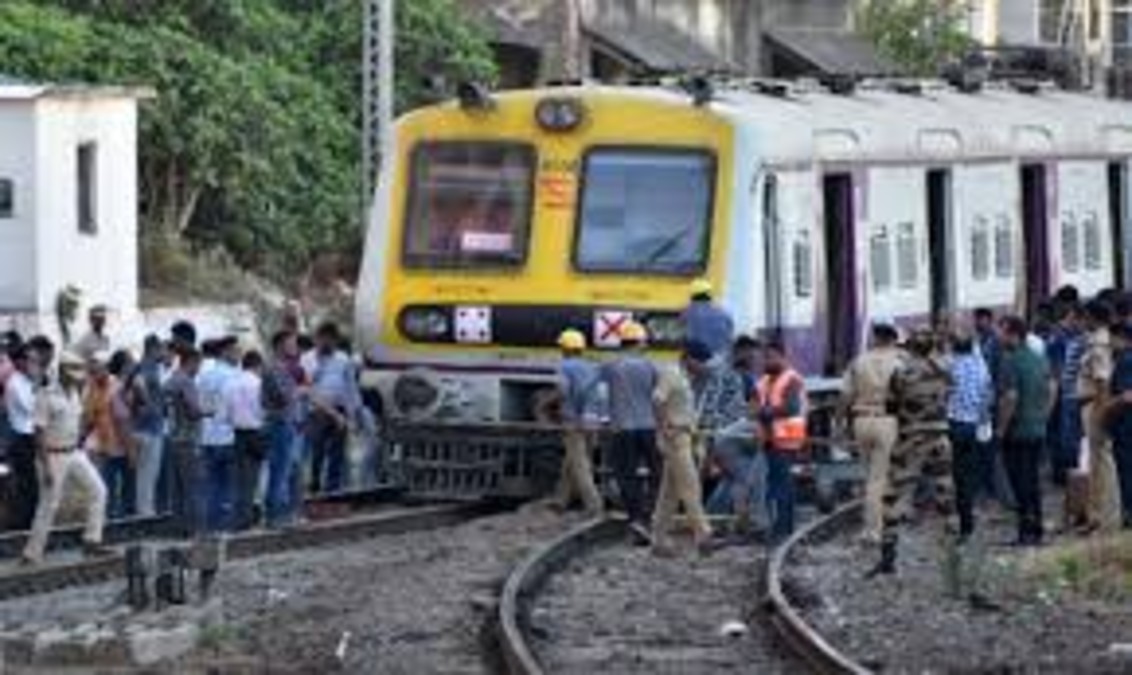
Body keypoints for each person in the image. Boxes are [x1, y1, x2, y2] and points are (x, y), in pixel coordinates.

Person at [871, 328, 953, 576]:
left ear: (911, 348)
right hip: (940, 439)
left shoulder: (902, 373)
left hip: (911, 441)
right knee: (946, 498)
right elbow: (948, 397)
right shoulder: (944, 371)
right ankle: (953, 557)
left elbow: (891, 406)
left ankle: (888, 559)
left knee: (892, 497)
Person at [21, 353, 111, 565]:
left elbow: (78, 421)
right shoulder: (46, 395)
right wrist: (45, 465)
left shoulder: (74, 393)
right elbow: (38, 433)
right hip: (52, 455)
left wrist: (82, 439)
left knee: (98, 490)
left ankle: (92, 540)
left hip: (73, 452)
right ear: (62, 370)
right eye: (73, 372)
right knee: (49, 504)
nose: (77, 377)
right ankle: (31, 553)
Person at [687, 339, 764, 537]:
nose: (756, 360)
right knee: (745, 478)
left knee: (729, 480)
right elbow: (750, 405)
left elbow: (709, 406)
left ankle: (712, 518)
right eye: (753, 355)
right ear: (741, 352)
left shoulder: (719, 372)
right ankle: (749, 522)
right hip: (726, 435)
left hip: (714, 434)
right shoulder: (734, 375)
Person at [840, 320, 904, 545]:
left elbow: (845, 395)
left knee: (870, 477)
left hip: (861, 421)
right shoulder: (899, 362)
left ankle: (872, 524)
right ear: (893, 338)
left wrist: (840, 420)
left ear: (875, 337)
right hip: (887, 421)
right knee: (879, 479)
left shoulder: (858, 361)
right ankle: (873, 530)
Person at [651, 344, 714, 556]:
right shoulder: (671, 373)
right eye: (700, 361)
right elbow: (657, 399)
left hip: (684, 436)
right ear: (688, 358)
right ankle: (703, 534)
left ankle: (658, 540)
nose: (704, 366)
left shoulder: (686, 378)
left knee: (670, 493)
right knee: (690, 486)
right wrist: (664, 427)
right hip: (676, 437)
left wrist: (695, 438)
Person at [997, 316, 1055, 546]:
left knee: (1019, 482)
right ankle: (1037, 529)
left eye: (1001, 331)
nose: (998, 336)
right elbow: (1052, 387)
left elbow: (1010, 397)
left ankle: (1025, 532)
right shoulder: (1039, 358)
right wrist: (1044, 416)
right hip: (1037, 428)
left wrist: (1001, 428)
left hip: (1017, 431)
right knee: (1033, 480)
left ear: (1013, 334)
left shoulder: (1010, 361)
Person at [598, 321, 659, 533]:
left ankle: (635, 518)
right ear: (640, 343)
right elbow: (658, 397)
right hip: (649, 427)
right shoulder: (651, 367)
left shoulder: (611, 366)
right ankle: (650, 515)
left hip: (622, 428)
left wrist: (603, 418)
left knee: (626, 475)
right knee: (656, 472)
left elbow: (600, 395)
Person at [542, 330, 602, 516]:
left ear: (564, 348)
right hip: (593, 420)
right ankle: (561, 500)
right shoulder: (592, 366)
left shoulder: (564, 366)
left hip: (573, 420)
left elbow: (562, 391)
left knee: (579, 464)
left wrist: (544, 403)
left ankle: (594, 506)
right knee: (573, 461)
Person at [756, 341, 807, 544]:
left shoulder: (791, 379)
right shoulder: (765, 380)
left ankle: (783, 529)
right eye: (765, 357)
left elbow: (792, 407)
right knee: (773, 485)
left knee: (782, 486)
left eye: (770, 357)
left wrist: (764, 412)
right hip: (769, 439)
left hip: (786, 440)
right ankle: (777, 527)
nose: (766, 361)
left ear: (782, 357)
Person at [1078, 300, 1121, 534]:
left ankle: (1107, 517)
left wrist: (1102, 412)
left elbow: (1102, 381)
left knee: (1102, 463)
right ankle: (1097, 515)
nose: (1083, 321)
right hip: (1092, 404)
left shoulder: (1099, 345)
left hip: (1095, 405)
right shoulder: (1098, 341)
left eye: (1086, 317)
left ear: (1093, 318)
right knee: (1096, 463)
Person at [947, 330, 993, 540]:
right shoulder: (981, 365)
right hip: (976, 424)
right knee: (970, 472)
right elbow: (988, 394)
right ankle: (969, 518)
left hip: (955, 424)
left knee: (956, 474)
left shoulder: (950, 366)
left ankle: (960, 522)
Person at [305, 323, 361, 494]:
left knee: (337, 451)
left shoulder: (343, 359)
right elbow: (306, 385)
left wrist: (353, 413)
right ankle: (314, 484)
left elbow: (350, 386)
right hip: (317, 410)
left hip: (340, 409)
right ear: (317, 339)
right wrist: (320, 363)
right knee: (317, 449)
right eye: (323, 339)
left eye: (331, 339)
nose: (327, 343)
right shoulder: (308, 358)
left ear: (335, 341)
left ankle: (332, 488)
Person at [197, 336, 240, 532]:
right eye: (234, 350)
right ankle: (225, 527)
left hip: (207, 436)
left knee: (211, 485)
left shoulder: (206, 375)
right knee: (229, 486)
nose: (238, 353)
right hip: (229, 435)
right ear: (225, 352)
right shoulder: (233, 375)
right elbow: (237, 408)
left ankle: (210, 527)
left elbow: (201, 406)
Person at [83, 351, 132, 520]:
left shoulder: (116, 387)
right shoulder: (90, 388)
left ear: (105, 368)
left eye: (97, 370)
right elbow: (88, 418)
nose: (94, 374)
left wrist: (130, 448)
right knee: (104, 485)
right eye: (92, 371)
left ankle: (119, 518)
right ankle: (106, 518)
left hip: (120, 443)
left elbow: (124, 420)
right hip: (101, 444)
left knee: (120, 485)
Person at [262, 331, 304, 528]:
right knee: (280, 471)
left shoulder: (283, 368)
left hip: (285, 424)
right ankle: (275, 517)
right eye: (291, 343)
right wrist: (300, 391)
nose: (295, 346)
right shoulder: (275, 368)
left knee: (284, 470)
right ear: (280, 346)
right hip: (280, 425)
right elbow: (284, 396)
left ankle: (282, 515)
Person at [164, 346, 205, 537]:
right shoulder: (187, 382)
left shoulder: (170, 381)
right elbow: (193, 411)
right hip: (188, 440)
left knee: (177, 489)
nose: (199, 369)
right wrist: (208, 411)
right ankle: (193, 529)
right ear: (191, 362)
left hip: (172, 439)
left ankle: (177, 527)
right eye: (199, 364)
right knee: (193, 487)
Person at [128, 336, 167, 517]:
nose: (163, 353)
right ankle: (145, 513)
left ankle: (144, 510)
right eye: (161, 349)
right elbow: (138, 388)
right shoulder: (148, 368)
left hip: (140, 427)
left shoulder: (138, 367)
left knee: (143, 475)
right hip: (149, 429)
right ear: (153, 349)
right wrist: (151, 407)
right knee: (148, 474)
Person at [229, 350, 266, 530]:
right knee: (254, 479)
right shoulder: (258, 384)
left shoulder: (232, 384)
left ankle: (238, 519)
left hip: (237, 434)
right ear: (257, 365)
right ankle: (248, 519)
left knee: (240, 479)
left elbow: (227, 412)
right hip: (256, 433)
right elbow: (262, 410)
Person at [5, 345, 40, 530]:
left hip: (30, 437)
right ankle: (23, 527)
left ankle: (29, 524)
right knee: (27, 487)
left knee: (31, 486)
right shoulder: (15, 383)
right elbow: (31, 408)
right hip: (21, 439)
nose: (33, 364)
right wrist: (36, 382)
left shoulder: (25, 381)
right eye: (29, 360)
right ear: (19, 361)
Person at [1108, 322, 1132, 528]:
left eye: (1112, 338)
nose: (1110, 343)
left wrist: (1105, 408)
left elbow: (1127, 396)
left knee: (1126, 471)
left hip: (1126, 425)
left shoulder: (1125, 361)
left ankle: (1128, 515)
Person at [682, 278, 735, 359]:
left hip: (699, 358)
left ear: (692, 295)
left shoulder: (690, 310)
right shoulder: (724, 310)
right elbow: (730, 331)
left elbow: (681, 323)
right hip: (722, 356)